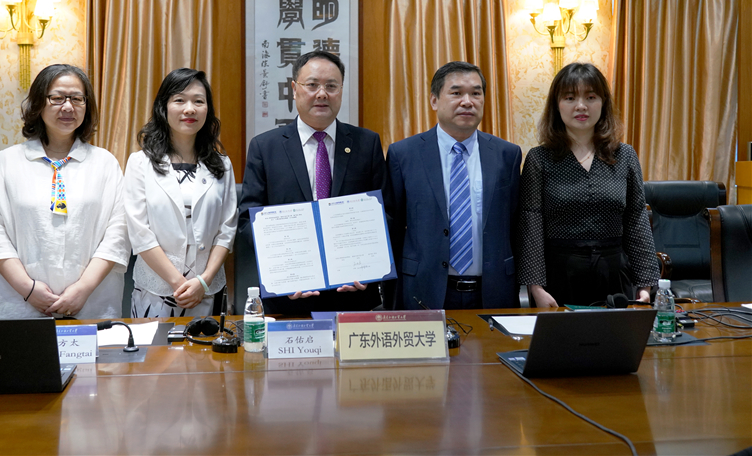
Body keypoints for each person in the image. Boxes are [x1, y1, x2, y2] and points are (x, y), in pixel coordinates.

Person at [0, 64, 129, 319]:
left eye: (77, 99)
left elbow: (119, 232)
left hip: (91, 302)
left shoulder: (105, 163)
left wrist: (83, 289)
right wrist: (28, 290)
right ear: (38, 103)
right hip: (20, 304)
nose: (68, 107)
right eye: (57, 98)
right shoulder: (7, 162)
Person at [238, 50, 386, 314]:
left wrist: (369, 266)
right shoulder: (265, 147)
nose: (322, 94)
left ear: (341, 90)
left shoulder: (367, 143)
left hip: (353, 297)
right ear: (294, 89)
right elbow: (248, 220)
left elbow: (386, 214)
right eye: (312, 85)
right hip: (288, 298)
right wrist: (283, 268)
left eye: (331, 86)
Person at [517, 62, 660, 308]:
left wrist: (646, 284)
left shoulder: (625, 155)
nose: (581, 106)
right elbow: (531, 223)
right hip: (559, 275)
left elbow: (636, 218)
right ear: (557, 105)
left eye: (591, 97)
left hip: (614, 273)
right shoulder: (539, 158)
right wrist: (535, 287)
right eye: (570, 97)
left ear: (603, 103)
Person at [383, 61, 522, 310]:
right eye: (456, 93)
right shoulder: (404, 154)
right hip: (423, 291)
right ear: (434, 101)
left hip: (493, 292)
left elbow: (516, 224)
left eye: (476, 93)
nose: (467, 102)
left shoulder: (507, 155)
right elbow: (392, 227)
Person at [124, 68, 237, 318]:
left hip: (208, 290)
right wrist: (179, 283)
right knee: (154, 345)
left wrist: (203, 282)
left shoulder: (222, 164)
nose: (190, 109)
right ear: (163, 107)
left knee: (208, 345)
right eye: (179, 100)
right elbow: (139, 233)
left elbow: (227, 230)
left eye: (198, 101)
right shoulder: (139, 163)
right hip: (156, 293)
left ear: (208, 109)